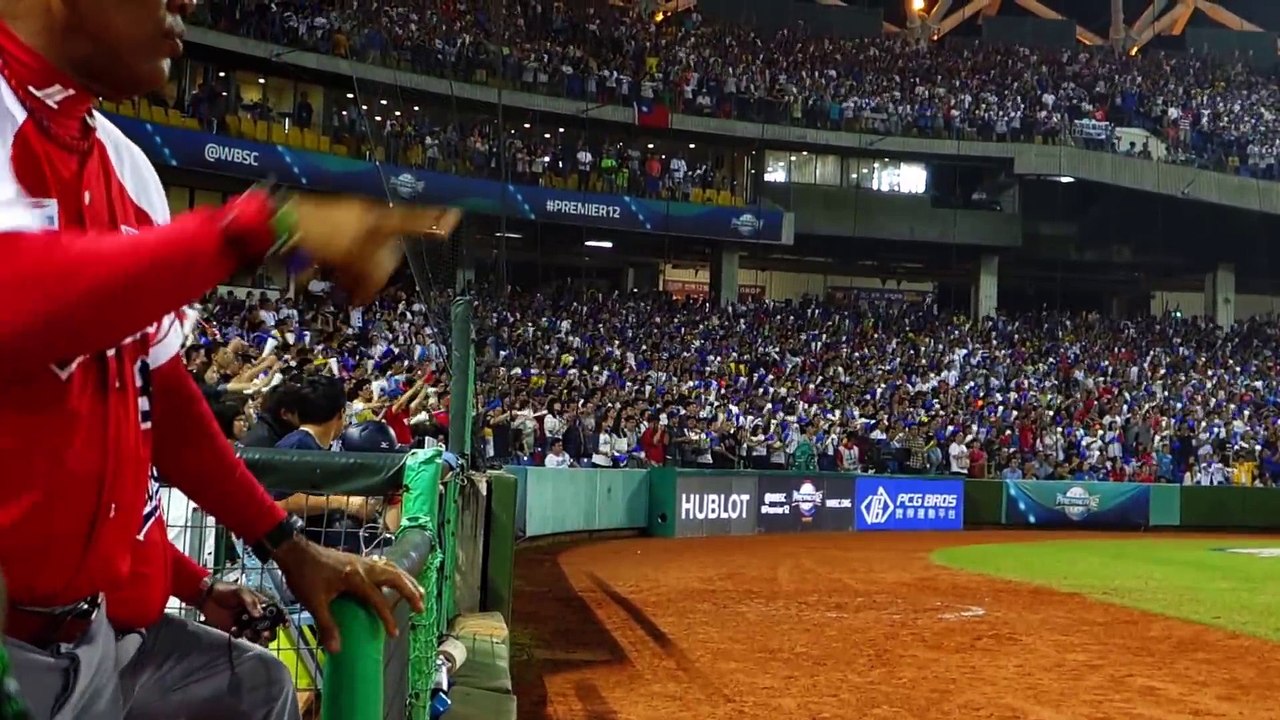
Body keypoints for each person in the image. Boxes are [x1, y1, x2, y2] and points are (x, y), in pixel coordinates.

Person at [0, 0, 460, 717]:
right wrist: (258, 228)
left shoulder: (127, 168)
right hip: (15, 640)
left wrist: (286, 545)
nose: (186, 2)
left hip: (85, 634)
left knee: (256, 689)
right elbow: (15, 295)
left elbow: (167, 397)